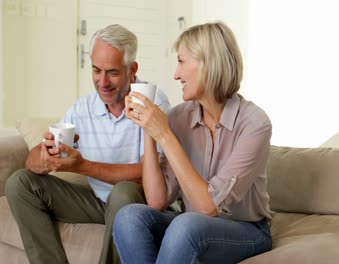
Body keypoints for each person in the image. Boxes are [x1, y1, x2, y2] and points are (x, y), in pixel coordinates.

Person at [5, 24, 171, 264]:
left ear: (132, 69)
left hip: (137, 205)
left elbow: (148, 177)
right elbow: (32, 162)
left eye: (112, 72)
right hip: (96, 202)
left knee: (123, 191)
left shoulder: (152, 102)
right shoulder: (82, 109)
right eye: (96, 70)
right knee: (19, 183)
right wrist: (46, 155)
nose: (102, 82)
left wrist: (81, 166)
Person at [113, 21, 273, 264]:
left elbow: (209, 208)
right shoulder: (179, 117)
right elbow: (157, 200)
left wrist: (165, 134)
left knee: (186, 223)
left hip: (247, 231)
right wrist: (149, 129)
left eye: (181, 61)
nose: (176, 74)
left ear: (207, 64)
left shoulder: (254, 124)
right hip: (192, 227)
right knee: (128, 217)